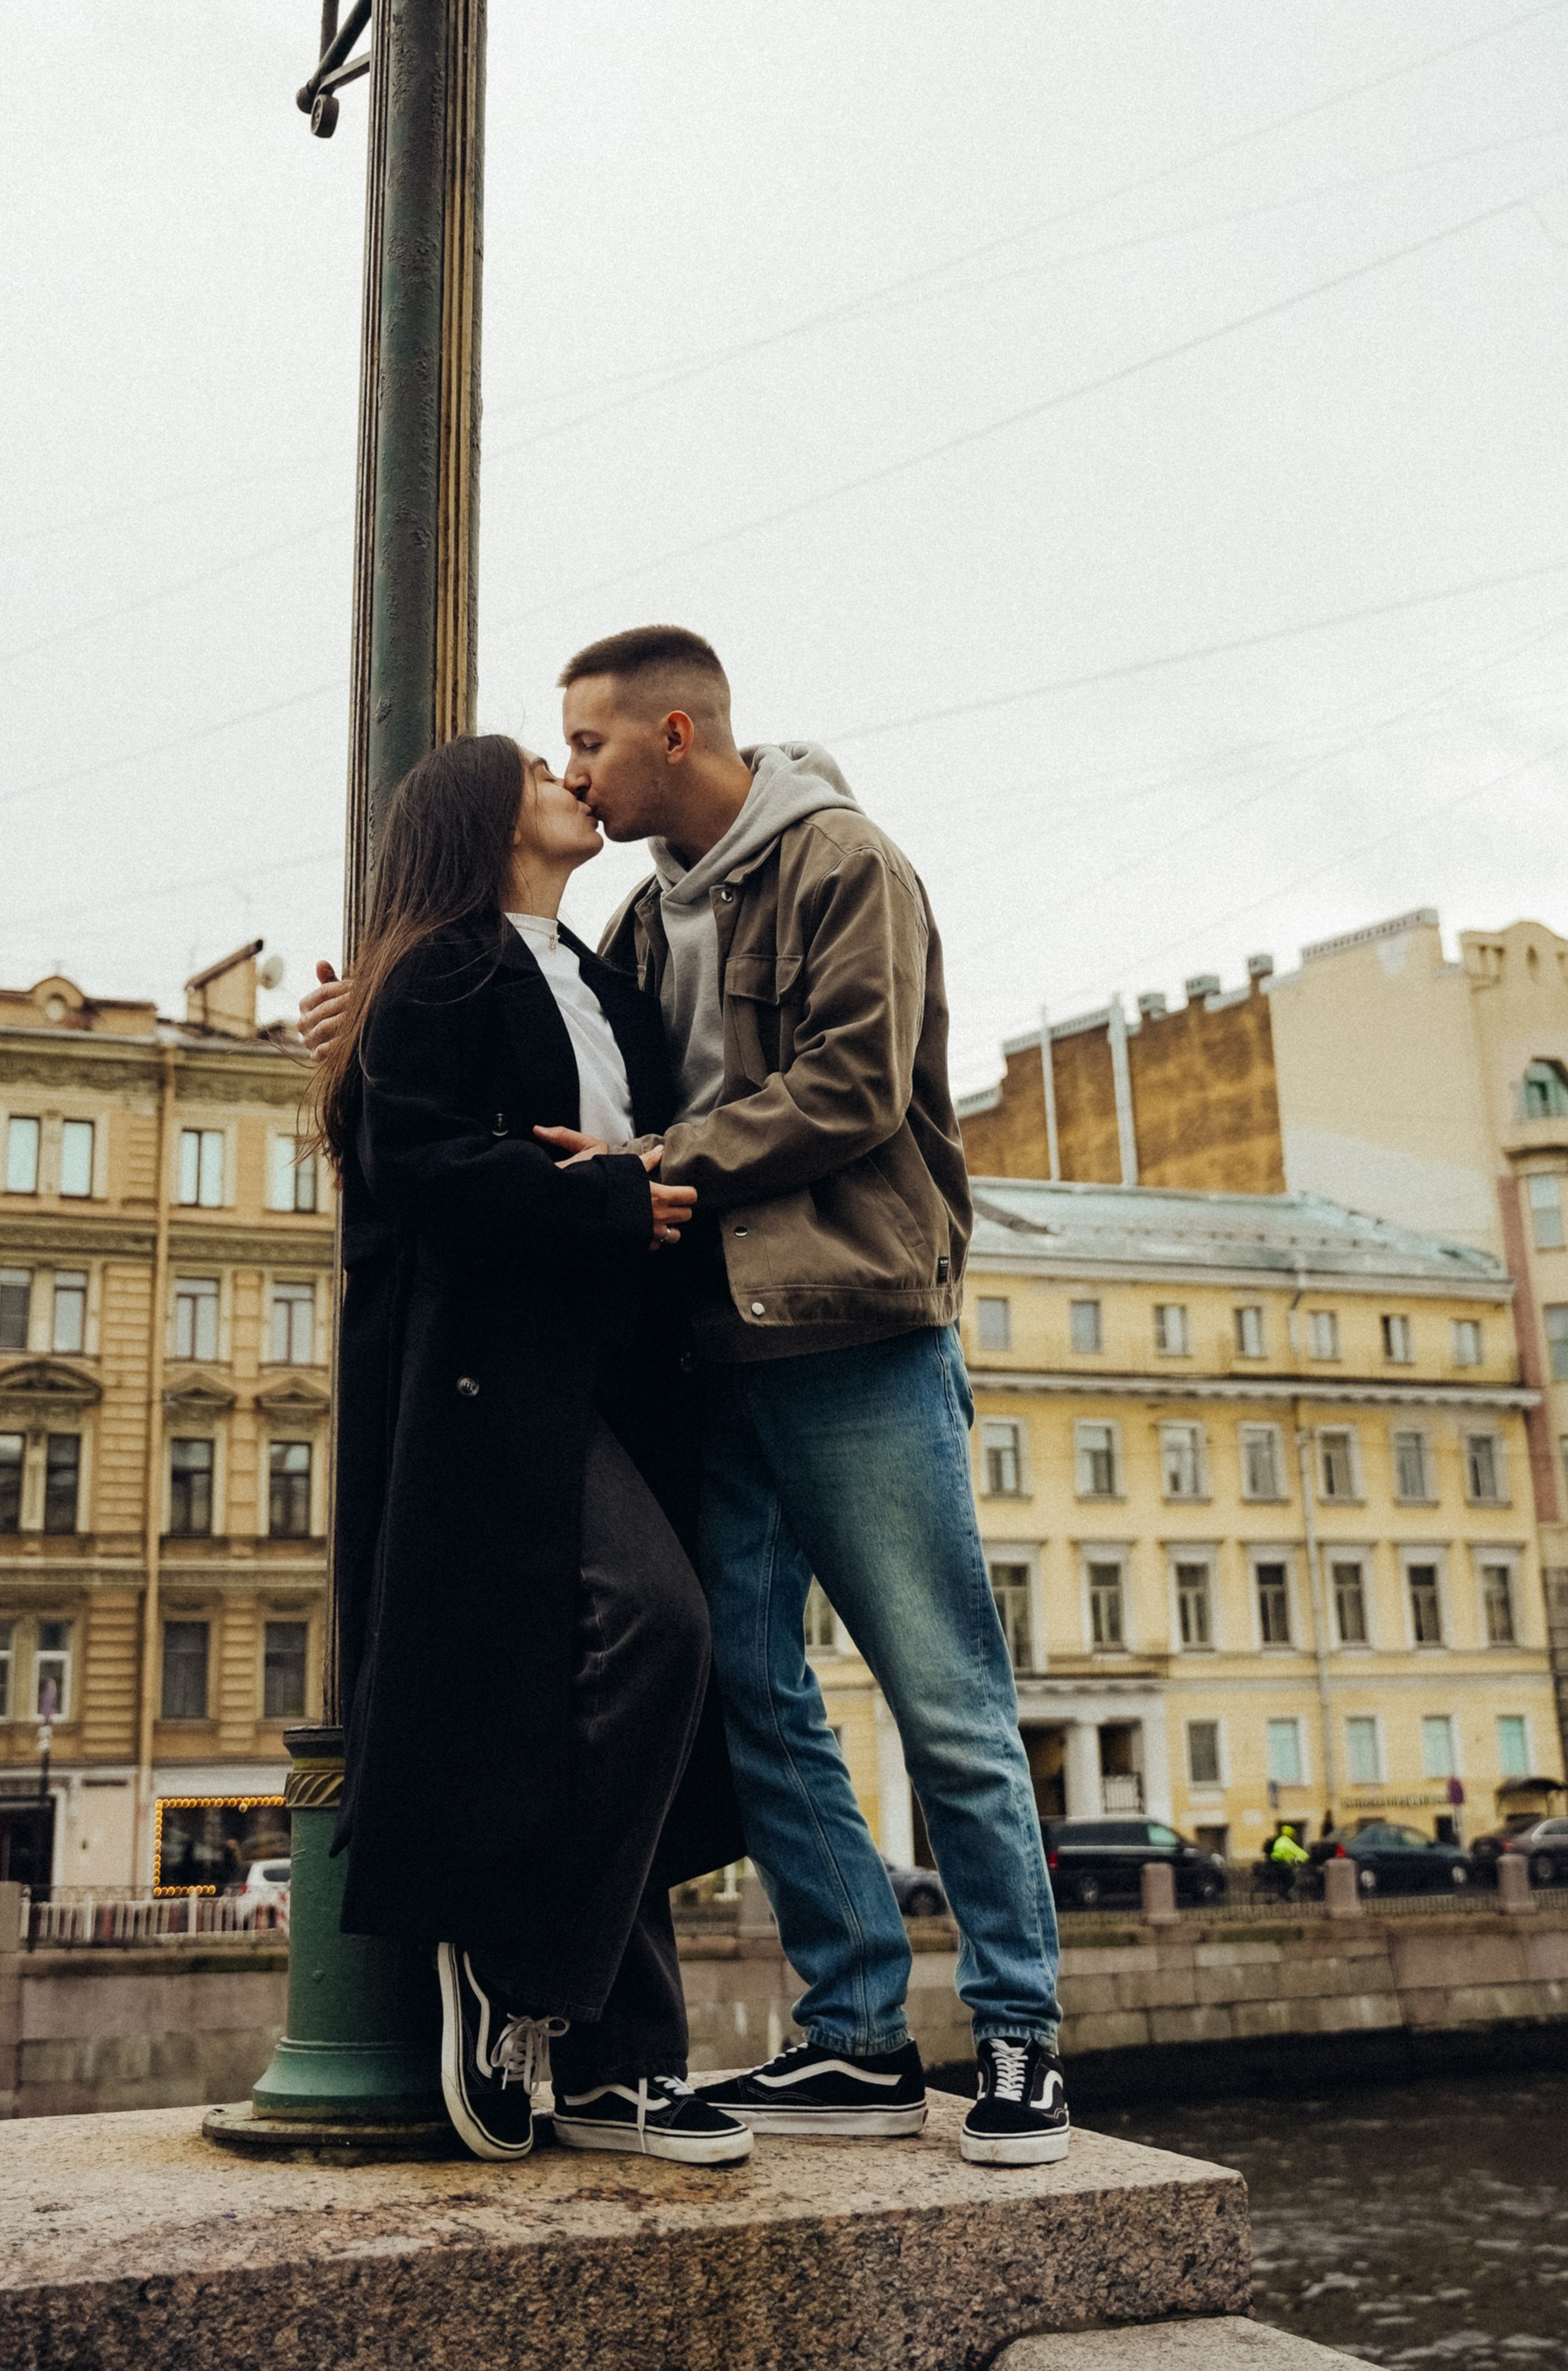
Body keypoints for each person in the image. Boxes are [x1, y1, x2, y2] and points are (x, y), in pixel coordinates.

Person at [550, 623, 1068, 2167]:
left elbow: (854, 1084)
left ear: (679, 732)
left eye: (589, 743)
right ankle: (854, 2038)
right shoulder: (646, 918)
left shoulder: (845, 863)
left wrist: (664, 1164)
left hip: (851, 1330)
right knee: (759, 1697)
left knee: (946, 1696)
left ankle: (1025, 2041)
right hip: (716, 1350)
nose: (574, 771)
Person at [310, 730, 749, 2166]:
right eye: (541, 774)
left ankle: (625, 2060)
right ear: (485, 821)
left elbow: (662, 1138)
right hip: (496, 1389)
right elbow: (419, 1163)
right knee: (656, 1629)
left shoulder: (602, 974)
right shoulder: (436, 966)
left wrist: (645, 1183)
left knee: (625, 1689)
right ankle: (520, 1971)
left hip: (618, 1376)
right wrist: (608, 1202)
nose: (573, 783)